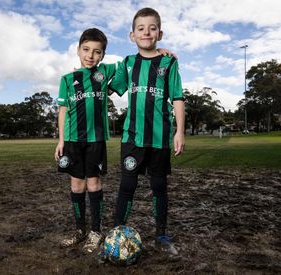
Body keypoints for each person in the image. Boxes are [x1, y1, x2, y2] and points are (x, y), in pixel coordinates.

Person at [109, 7, 185, 257]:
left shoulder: (169, 61)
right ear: (132, 35)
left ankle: (161, 236)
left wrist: (179, 131)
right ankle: (115, 236)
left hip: (161, 137)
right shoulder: (128, 63)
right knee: (127, 186)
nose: (146, 32)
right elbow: (109, 89)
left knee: (160, 186)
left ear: (160, 34)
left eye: (152, 28)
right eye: (141, 28)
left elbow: (177, 98)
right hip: (132, 137)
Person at [55, 28, 116, 253]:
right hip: (72, 140)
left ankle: (96, 232)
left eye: (97, 52)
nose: (91, 55)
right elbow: (62, 111)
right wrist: (61, 140)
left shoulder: (104, 73)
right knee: (76, 184)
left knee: (94, 183)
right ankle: (80, 230)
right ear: (78, 50)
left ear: (103, 55)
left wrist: (160, 51)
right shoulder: (67, 79)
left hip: (96, 140)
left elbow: (132, 63)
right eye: (86, 50)